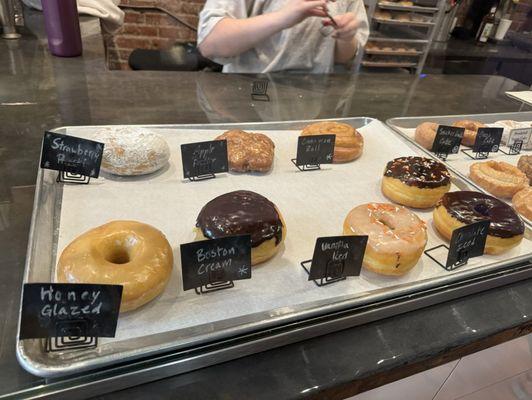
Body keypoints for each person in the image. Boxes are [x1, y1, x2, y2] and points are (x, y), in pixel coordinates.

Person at [197, 0, 369, 73]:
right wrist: (283, 18)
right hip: (250, 91)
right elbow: (211, 42)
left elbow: (343, 57)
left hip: (315, 98)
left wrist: (346, 37)